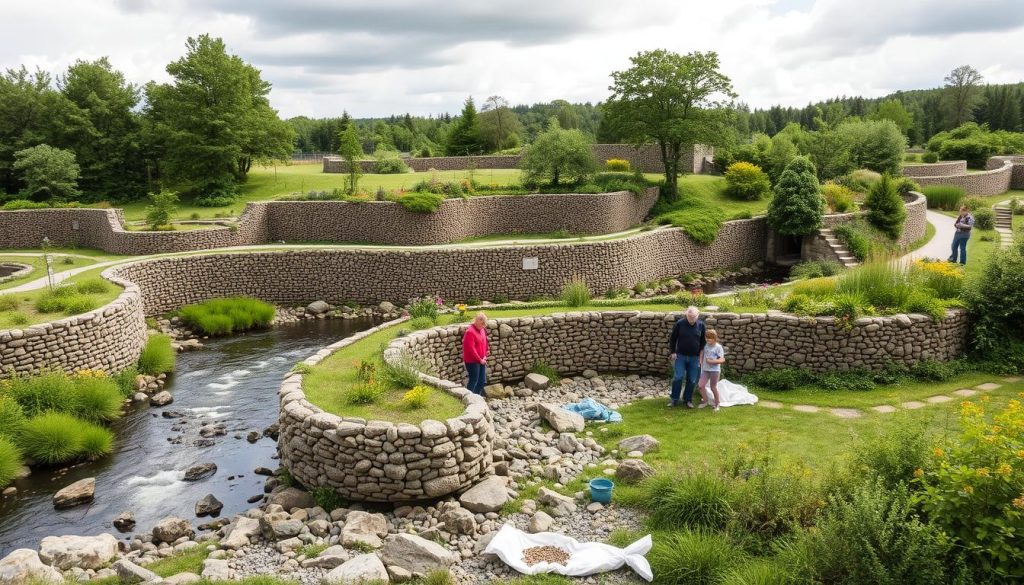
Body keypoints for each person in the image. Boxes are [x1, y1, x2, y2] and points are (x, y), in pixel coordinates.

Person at [668, 306, 706, 408]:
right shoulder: (680, 324)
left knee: (692, 380)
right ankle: (674, 399)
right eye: (689, 317)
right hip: (680, 356)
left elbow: (703, 343)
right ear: (686, 315)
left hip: (695, 357)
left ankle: (687, 400)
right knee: (678, 377)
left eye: (693, 317)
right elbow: (673, 339)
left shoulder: (701, 325)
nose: (691, 319)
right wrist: (673, 352)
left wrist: (700, 358)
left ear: (697, 316)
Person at [696, 329, 725, 412]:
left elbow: (722, 360)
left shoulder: (718, 347)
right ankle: (705, 401)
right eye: (706, 338)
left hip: (714, 370)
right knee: (701, 385)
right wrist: (700, 361)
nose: (708, 339)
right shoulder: (705, 345)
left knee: (713, 387)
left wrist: (712, 361)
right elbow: (702, 353)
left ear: (715, 338)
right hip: (705, 370)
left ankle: (717, 404)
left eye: (710, 338)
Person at [462, 312, 489, 395]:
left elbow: (485, 341)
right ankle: (469, 397)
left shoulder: (482, 329)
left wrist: (485, 354)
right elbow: (471, 349)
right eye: (482, 323)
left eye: (484, 324)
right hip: (472, 361)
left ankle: (476, 397)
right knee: (474, 380)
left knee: (482, 381)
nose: (484, 325)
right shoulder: (470, 332)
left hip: (481, 360)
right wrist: (480, 359)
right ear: (477, 321)